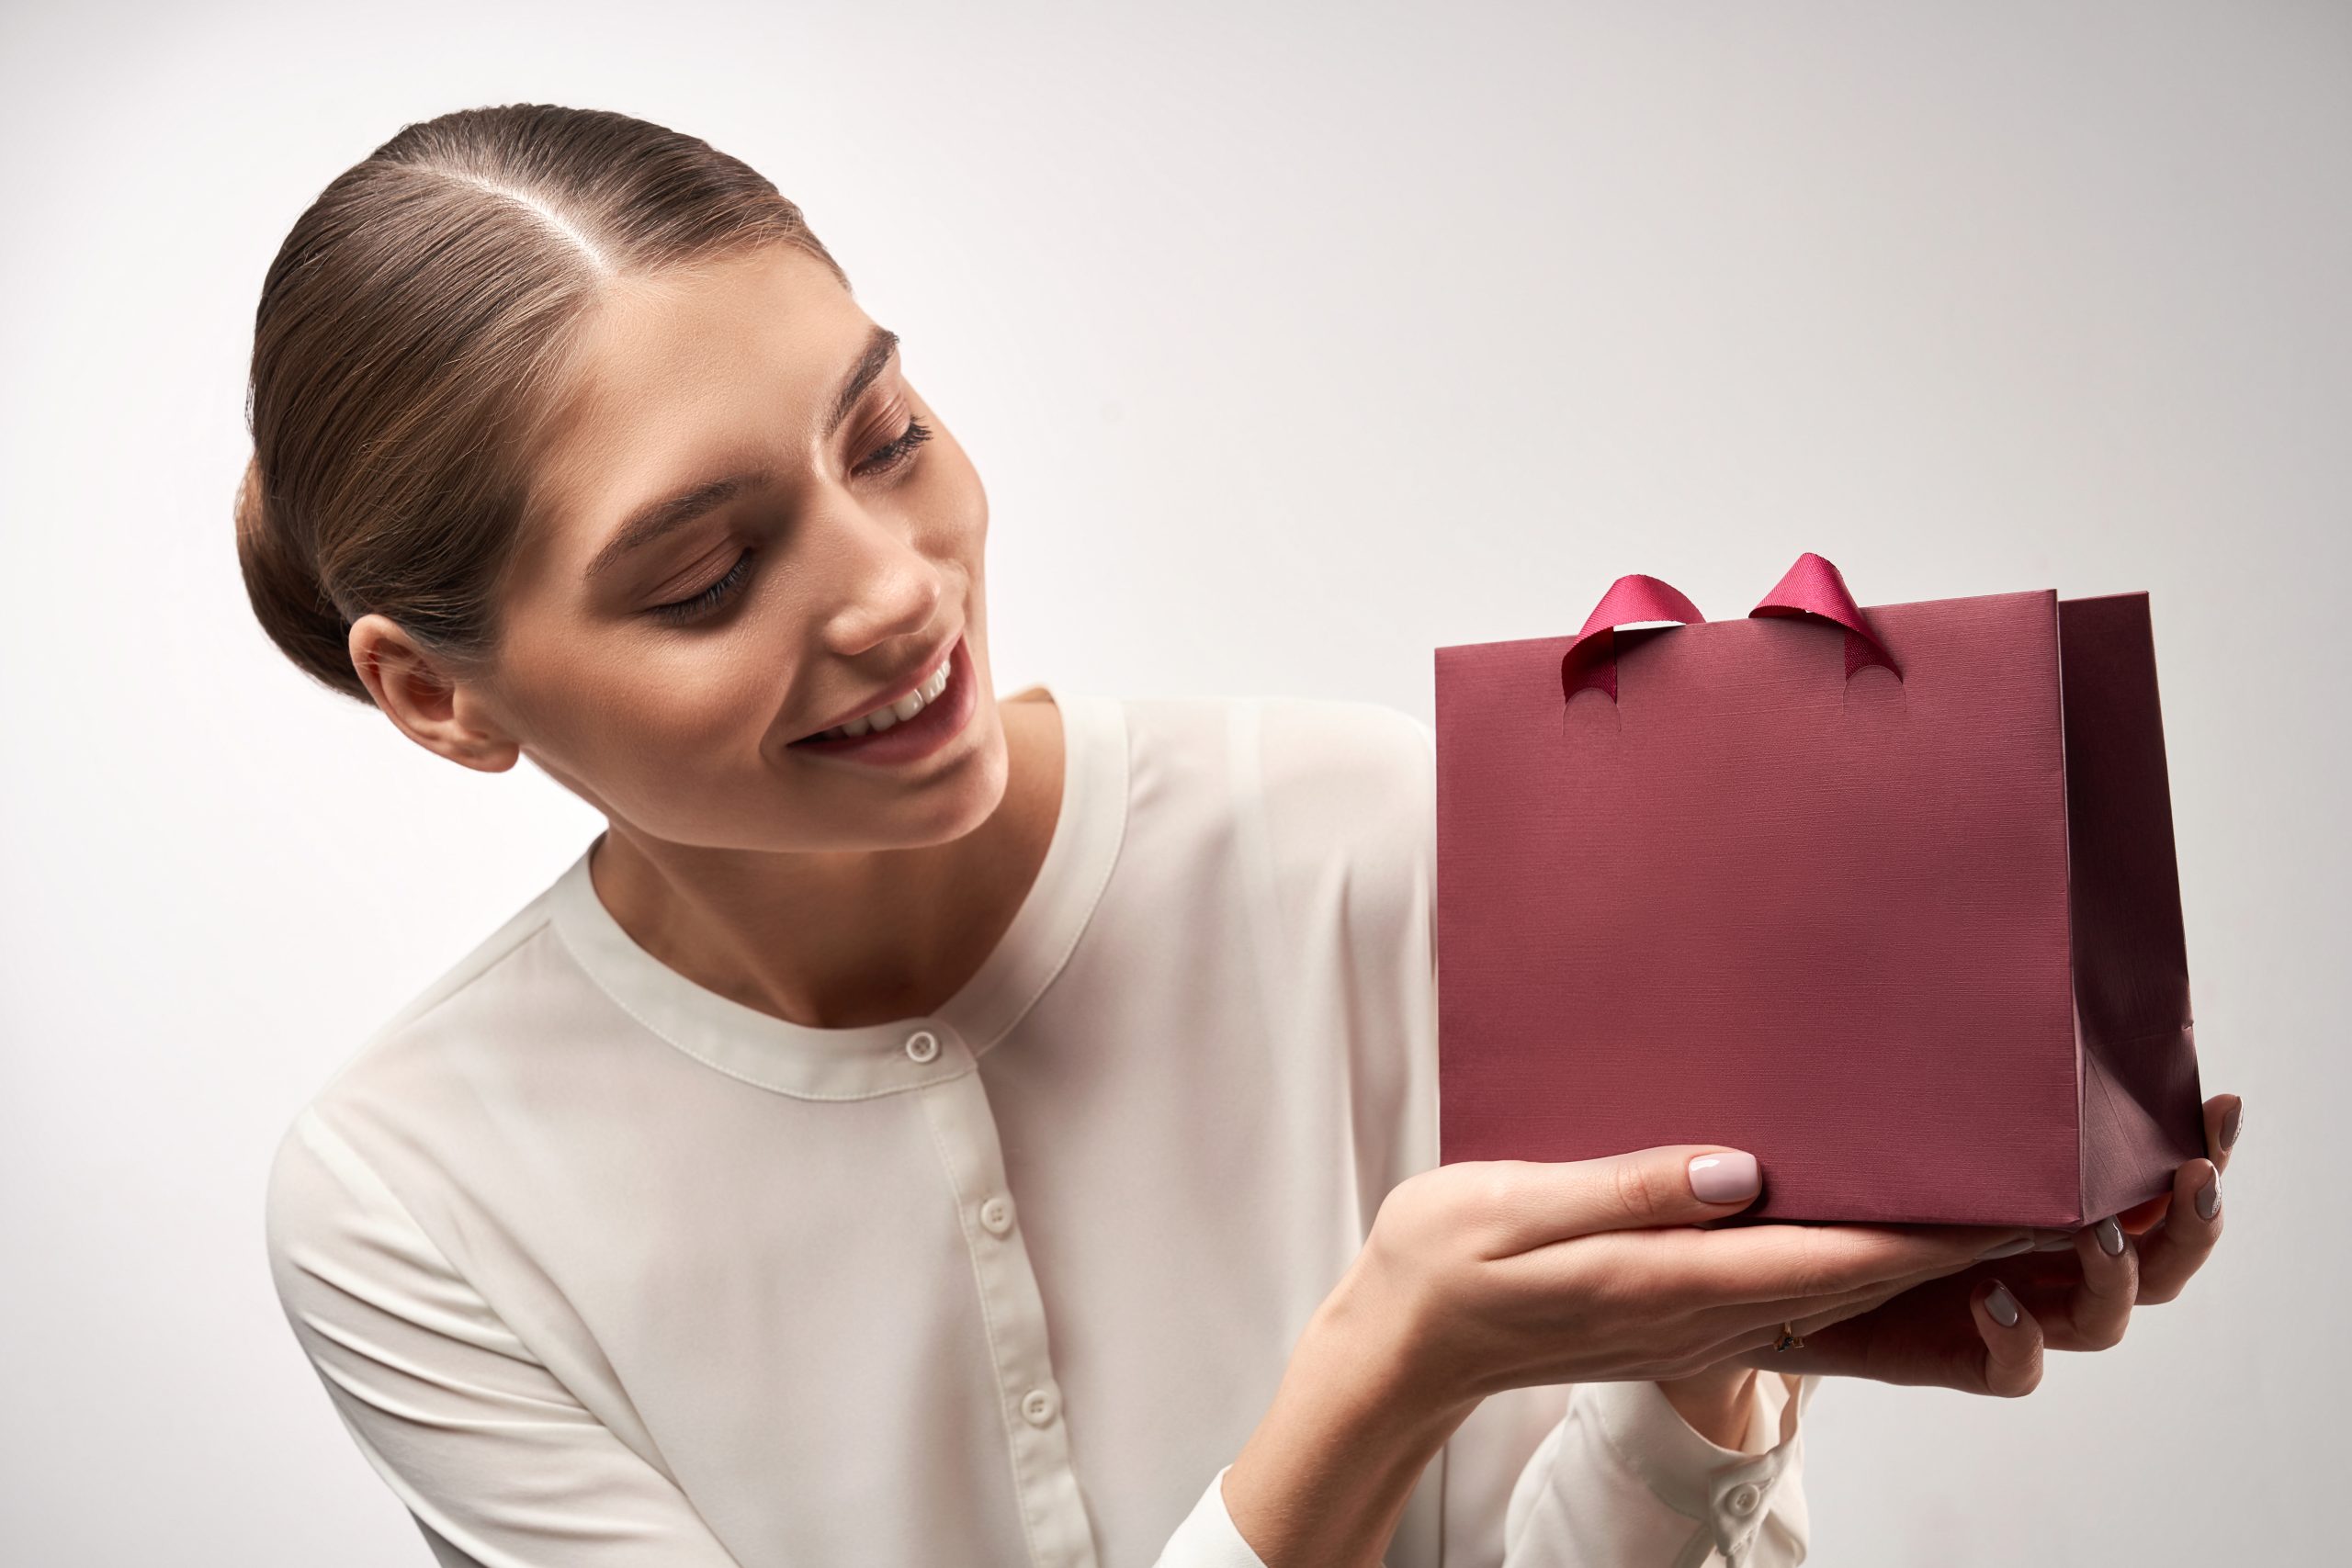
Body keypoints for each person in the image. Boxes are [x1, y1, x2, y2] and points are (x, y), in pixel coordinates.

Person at [243, 104, 2237, 1568]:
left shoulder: (1373, 839)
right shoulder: (414, 1198)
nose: (888, 591)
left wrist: (1695, 1358)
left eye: (886, 437)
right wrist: (1378, 1378)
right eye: (701, 573)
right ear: (440, 694)